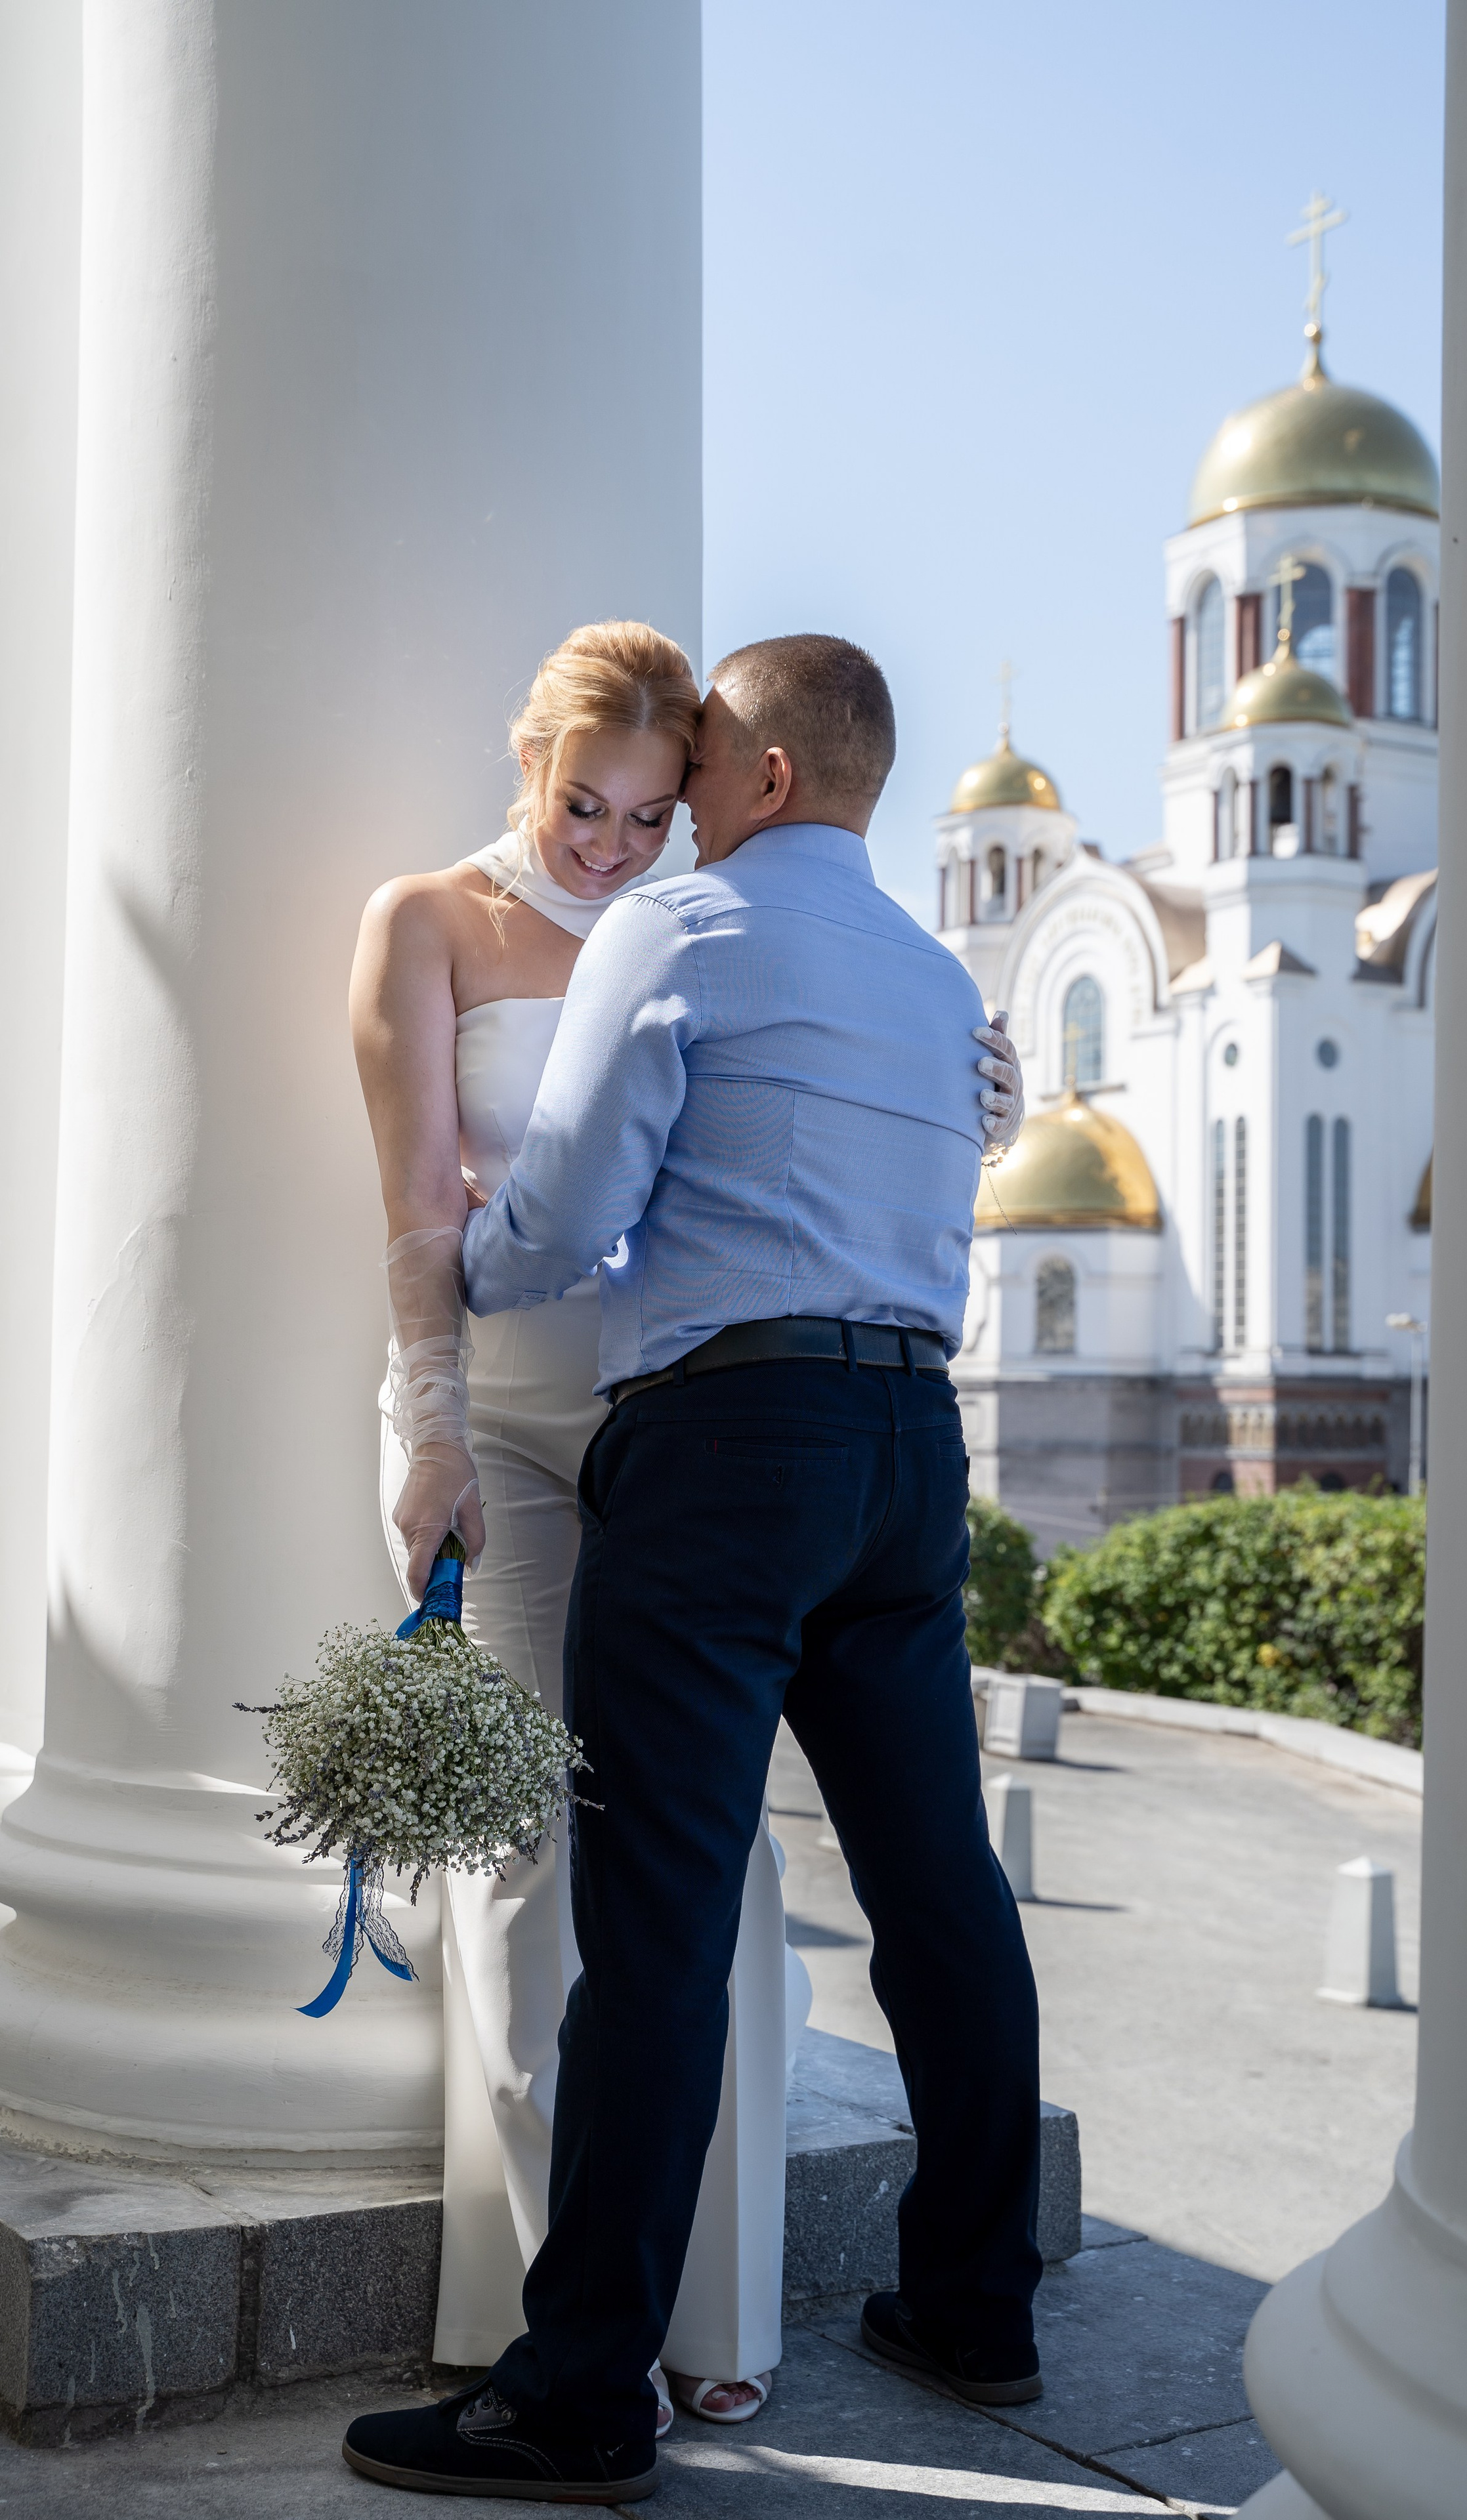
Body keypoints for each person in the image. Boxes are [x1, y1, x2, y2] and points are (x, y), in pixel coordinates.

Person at [344, 632, 1042, 2506]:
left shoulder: (690, 931)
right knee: (939, 1891)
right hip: (913, 1453)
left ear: (768, 782)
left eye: (703, 769)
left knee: (649, 1920)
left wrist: (476, 1279)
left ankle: (578, 2393)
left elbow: (569, 1213)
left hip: (727, 1455)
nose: (675, 816)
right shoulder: (931, 976)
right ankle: (976, 2307)